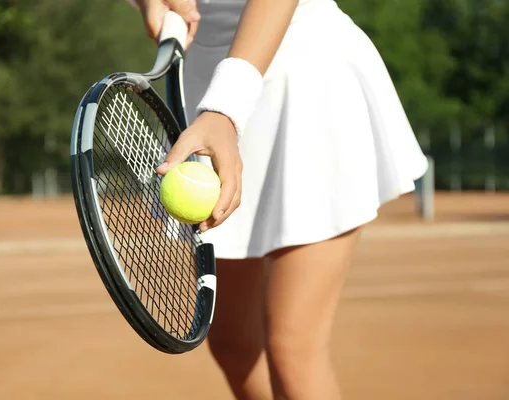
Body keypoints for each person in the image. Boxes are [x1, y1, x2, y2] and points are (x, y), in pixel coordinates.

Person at [136, 0, 428, 398]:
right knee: (234, 345)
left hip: (300, 73)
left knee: (292, 347)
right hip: (204, 88)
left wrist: (226, 107)